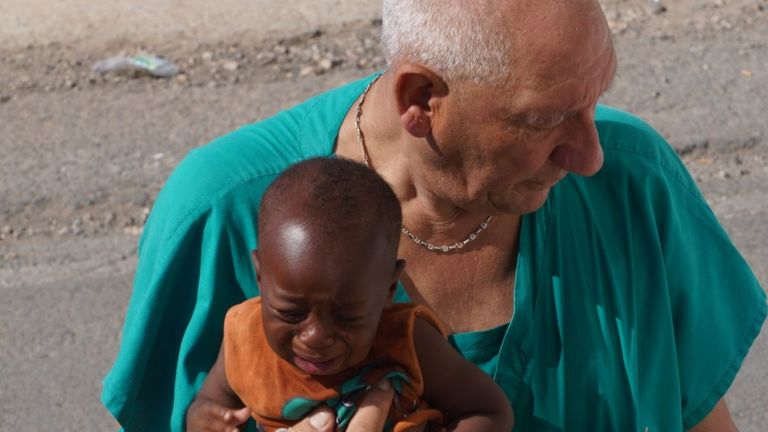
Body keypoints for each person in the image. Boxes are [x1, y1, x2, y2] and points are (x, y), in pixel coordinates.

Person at [102, 0, 767, 431]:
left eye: (594, 100)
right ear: (421, 98)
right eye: (544, 119)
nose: (589, 155)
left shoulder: (633, 185)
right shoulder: (222, 215)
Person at [185, 158, 514, 431]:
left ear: (388, 289)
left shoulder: (405, 340)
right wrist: (206, 420)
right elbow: (210, 404)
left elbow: (488, 411)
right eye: (291, 313)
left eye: (346, 317)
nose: (315, 337)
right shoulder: (244, 338)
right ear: (259, 276)